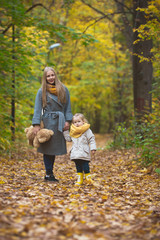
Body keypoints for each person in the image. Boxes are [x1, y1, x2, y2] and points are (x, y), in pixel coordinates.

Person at [32, 67, 73, 182]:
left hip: (59, 122)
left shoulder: (64, 89)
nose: (51, 78)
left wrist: (67, 121)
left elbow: (67, 107)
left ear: (55, 75)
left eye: (52, 75)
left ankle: (49, 173)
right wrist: (36, 124)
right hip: (48, 122)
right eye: (48, 76)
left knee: (53, 149)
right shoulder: (41, 91)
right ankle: (48, 173)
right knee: (47, 149)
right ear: (45, 78)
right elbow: (37, 108)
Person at [63, 113, 96, 186]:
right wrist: (65, 132)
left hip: (84, 151)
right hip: (75, 152)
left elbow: (91, 139)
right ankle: (80, 179)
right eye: (75, 122)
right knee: (78, 166)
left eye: (79, 121)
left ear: (83, 121)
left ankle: (88, 178)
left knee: (85, 165)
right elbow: (69, 139)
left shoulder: (86, 130)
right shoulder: (73, 131)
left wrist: (93, 148)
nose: (77, 124)